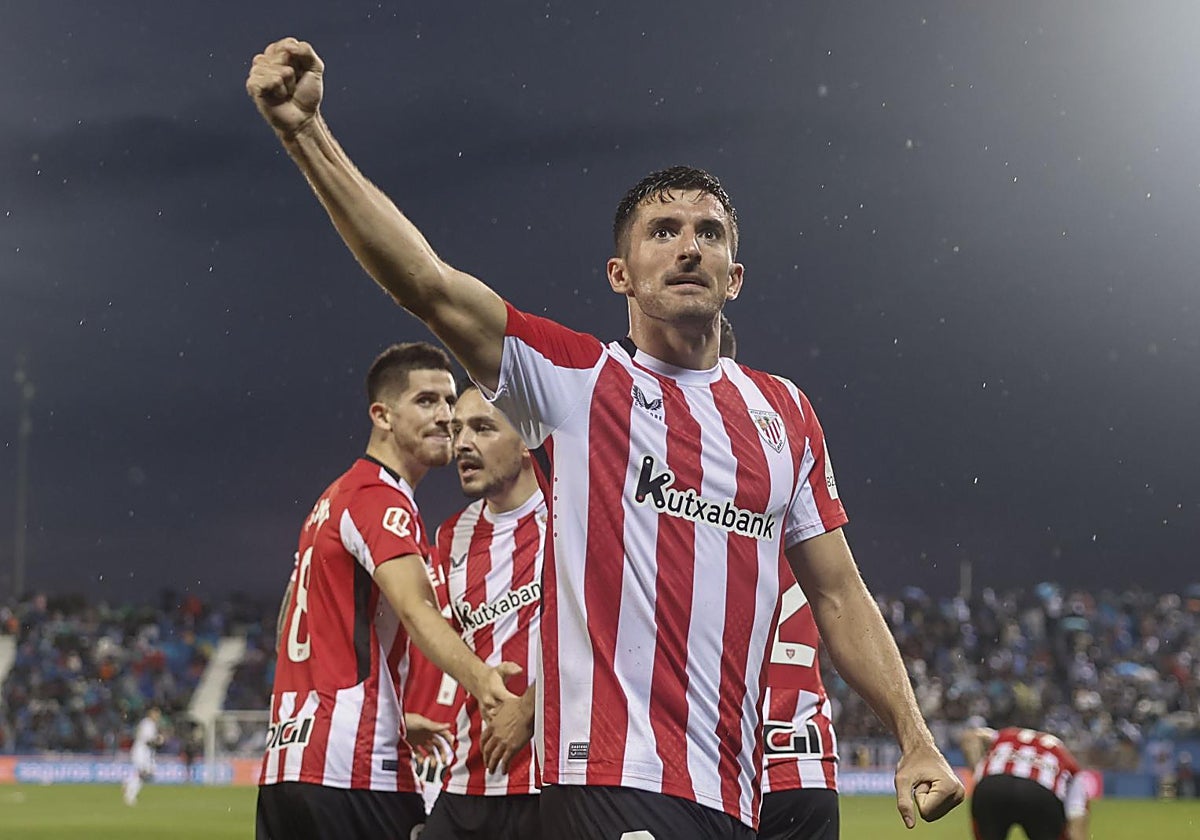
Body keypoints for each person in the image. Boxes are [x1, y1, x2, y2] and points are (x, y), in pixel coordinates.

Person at [246, 40, 963, 838]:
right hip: (609, 778)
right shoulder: (579, 383)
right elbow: (430, 285)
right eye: (662, 231)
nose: (689, 245)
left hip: (735, 792)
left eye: (709, 233)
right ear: (619, 275)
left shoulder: (783, 411)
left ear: (735, 276)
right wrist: (304, 134)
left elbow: (837, 592)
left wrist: (914, 735)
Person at [256, 342, 523, 840]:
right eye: (426, 401)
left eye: (449, 403)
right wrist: (482, 678)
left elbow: (288, 619)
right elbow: (418, 610)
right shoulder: (382, 501)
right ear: (382, 415)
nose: (445, 417)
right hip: (354, 769)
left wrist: (394, 713)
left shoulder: (332, 499)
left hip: (287, 762)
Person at [719, 317, 840, 840]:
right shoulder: (798, 517)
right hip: (806, 762)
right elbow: (842, 597)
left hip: (720, 767)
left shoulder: (682, 527)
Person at [409, 385, 546, 839]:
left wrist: (528, 709)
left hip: (553, 785)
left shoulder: (572, 519)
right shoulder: (452, 535)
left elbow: (610, 642)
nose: (461, 442)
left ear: (527, 441)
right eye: (457, 429)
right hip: (472, 779)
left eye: (482, 428)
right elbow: (444, 646)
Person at [960, 726, 1091, 840]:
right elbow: (1076, 817)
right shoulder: (1067, 760)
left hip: (992, 784)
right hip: (1040, 792)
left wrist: (977, 771)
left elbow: (970, 737)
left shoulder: (1006, 735)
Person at [122, 706, 163, 806]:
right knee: (143, 773)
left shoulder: (150, 724)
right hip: (141, 751)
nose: (158, 716)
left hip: (145, 752)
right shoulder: (147, 724)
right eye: (156, 714)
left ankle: (128, 783)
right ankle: (129, 794)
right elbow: (147, 740)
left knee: (147, 772)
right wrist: (158, 740)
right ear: (151, 714)